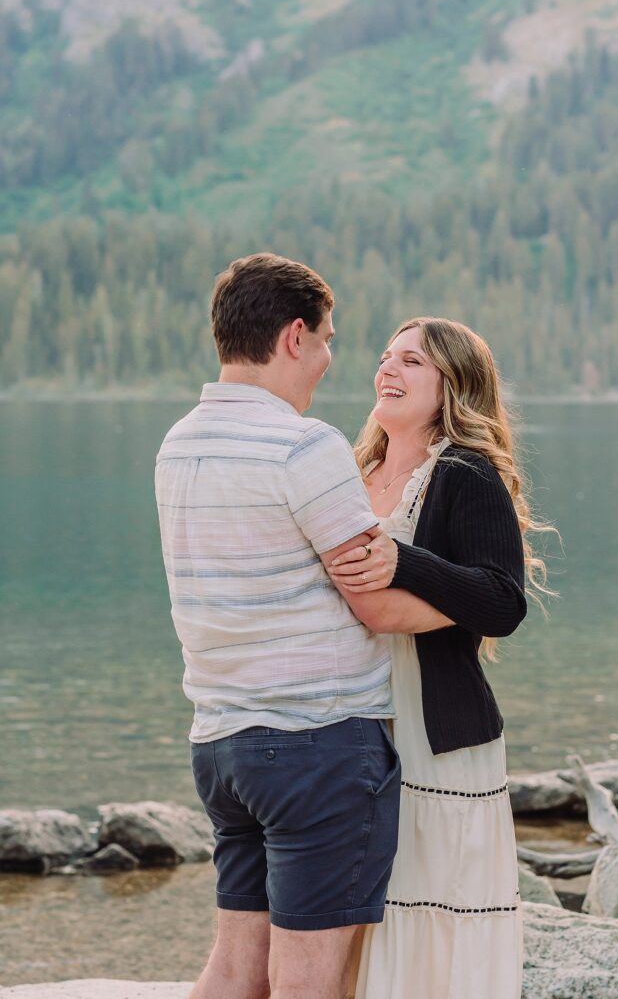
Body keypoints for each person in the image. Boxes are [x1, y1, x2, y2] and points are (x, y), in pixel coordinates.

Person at [155, 253, 409, 999]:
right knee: (307, 986)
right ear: (294, 337)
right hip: (316, 748)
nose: (330, 359)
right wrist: (489, 602)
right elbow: (371, 594)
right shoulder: (305, 445)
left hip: (222, 746)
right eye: (328, 340)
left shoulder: (178, 443)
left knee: (235, 970)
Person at [326, 317, 548, 999]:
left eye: (411, 361)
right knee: (353, 915)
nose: (387, 370)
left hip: (436, 734)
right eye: (386, 356)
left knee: (425, 906)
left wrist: (406, 562)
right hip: (347, 723)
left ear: (452, 384)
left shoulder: (464, 473)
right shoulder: (349, 474)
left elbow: (502, 601)